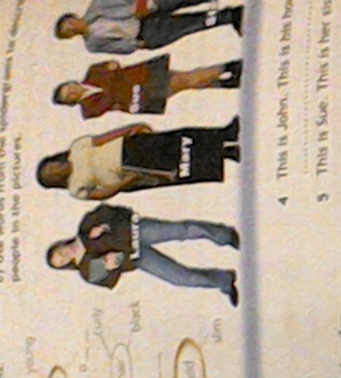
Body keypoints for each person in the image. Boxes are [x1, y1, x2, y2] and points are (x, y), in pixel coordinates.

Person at [46, 204, 240, 305]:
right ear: (66, 266)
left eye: (60, 252)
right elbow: (108, 276)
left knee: (183, 230)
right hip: (137, 257)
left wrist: (104, 225)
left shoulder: (85, 226)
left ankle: (225, 235)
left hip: (137, 231)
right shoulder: (87, 271)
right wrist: (109, 264)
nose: (65, 254)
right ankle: (224, 281)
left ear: (60, 244)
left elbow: (112, 211)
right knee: (181, 278)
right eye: (62, 260)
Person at [37, 118, 241, 199]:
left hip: (129, 146)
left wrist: (130, 128)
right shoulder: (75, 188)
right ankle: (226, 154)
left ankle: (224, 134)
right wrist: (124, 183)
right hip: (129, 169)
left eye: (51, 166)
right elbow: (100, 194)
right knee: (179, 166)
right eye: (52, 174)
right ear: (56, 181)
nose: (55, 169)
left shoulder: (76, 148)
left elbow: (104, 138)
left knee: (180, 140)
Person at [54, 0, 248, 55]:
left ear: (73, 17)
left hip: (146, 7)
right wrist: (138, 44)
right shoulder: (92, 44)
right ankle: (230, 16)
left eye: (69, 23)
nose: (72, 28)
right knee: (189, 25)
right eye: (68, 32)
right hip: (145, 33)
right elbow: (119, 48)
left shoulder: (98, 5)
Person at [51, 55, 241, 119]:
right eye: (69, 96)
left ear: (72, 82)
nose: (73, 91)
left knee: (185, 80)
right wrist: (114, 78)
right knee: (185, 80)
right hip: (141, 95)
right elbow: (108, 100)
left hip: (142, 74)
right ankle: (226, 68)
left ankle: (223, 81)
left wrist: (113, 75)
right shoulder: (88, 109)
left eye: (69, 88)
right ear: (71, 102)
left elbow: (113, 65)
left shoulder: (93, 72)